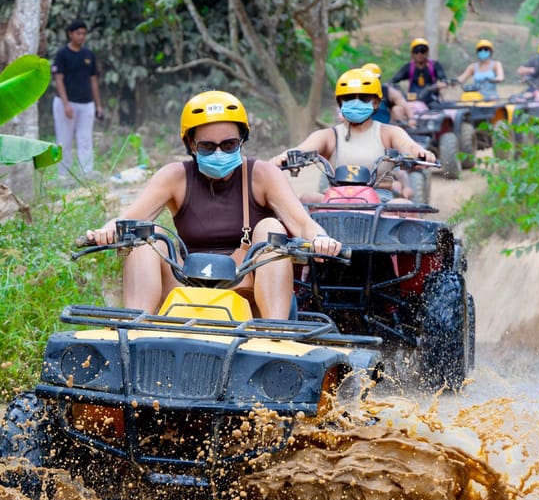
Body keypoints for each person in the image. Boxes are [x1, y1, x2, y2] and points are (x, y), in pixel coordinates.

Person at [86, 90, 341, 320]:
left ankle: (274, 335)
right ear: (190, 145)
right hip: (186, 286)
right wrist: (106, 231)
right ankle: (135, 334)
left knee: (271, 227)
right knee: (146, 235)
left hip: (247, 289)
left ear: (242, 140)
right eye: (207, 147)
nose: (219, 153)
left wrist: (320, 239)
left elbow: (302, 222)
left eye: (229, 145)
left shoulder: (262, 174)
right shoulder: (174, 176)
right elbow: (128, 219)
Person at [271, 69, 436, 203]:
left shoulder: (389, 133)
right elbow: (302, 149)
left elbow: (409, 146)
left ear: (376, 103)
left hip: (381, 200)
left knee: (403, 205)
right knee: (306, 199)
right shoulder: (329, 136)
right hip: (335, 200)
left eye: (363, 98)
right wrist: (285, 157)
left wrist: (420, 153)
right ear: (340, 103)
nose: (356, 102)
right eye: (349, 98)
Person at [52, 19, 104, 179]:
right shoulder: (62, 54)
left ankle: (86, 173)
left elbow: (93, 80)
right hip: (65, 103)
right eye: (78, 33)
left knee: (85, 140)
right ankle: (63, 175)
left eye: (84, 33)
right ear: (70, 34)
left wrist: (98, 105)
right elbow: (58, 79)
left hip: (87, 103)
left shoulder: (88, 55)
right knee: (64, 140)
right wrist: (66, 104)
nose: (81, 37)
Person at [390, 38, 448, 106]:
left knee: (436, 110)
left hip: (430, 100)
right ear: (412, 54)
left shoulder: (435, 65)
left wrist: (434, 87)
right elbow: (393, 80)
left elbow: (444, 82)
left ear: (427, 52)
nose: (419, 54)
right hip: (412, 101)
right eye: (416, 51)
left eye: (422, 51)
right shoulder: (408, 67)